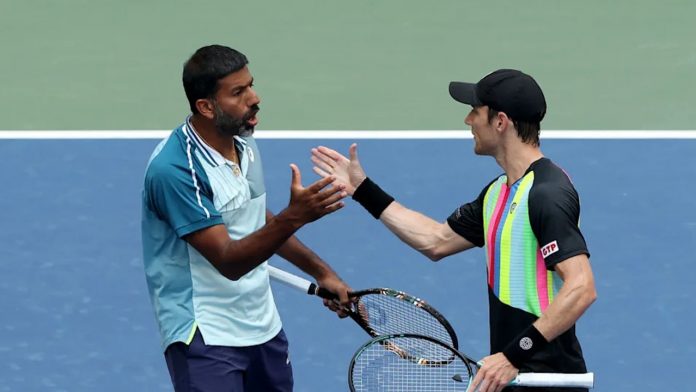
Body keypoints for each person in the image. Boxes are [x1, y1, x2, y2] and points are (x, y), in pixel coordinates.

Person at [310, 69, 597, 392]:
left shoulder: (546, 193)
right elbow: (435, 240)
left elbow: (582, 287)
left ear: (500, 122)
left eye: (475, 111)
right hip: (511, 378)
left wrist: (512, 355)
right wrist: (362, 189)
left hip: (546, 380)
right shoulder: (499, 192)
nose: (467, 120)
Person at [141, 44, 351, 392]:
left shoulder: (243, 142)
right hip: (204, 336)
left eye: (251, 85)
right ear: (206, 107)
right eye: (238, 92)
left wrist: (322, 272)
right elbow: (228, 261)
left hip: (262, 325)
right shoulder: (176, 170)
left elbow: (255, 219)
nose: (255, 98)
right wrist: (295, 217)